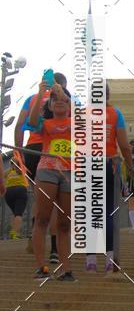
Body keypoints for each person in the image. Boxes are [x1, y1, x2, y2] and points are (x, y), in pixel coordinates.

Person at [16, 71, 68, 260]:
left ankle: (34, 237)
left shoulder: (32, 98)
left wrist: (18, 153)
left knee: (40, 198)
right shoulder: (66, 99)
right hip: (57, 152)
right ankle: (54, 249)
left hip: (32, 149)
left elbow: (21, 124)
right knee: (56, 203)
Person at [28, 80, 75, 281]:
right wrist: (41, 92)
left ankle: (66, 269)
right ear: (48, 105)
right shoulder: (45, 124)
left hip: (70, 173)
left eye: (62, 99)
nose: (58, 102)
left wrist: (61, 93)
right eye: (54, 99)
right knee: (43, 218)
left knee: (64, 223)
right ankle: (41, 267)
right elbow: (31, 121)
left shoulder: (77, 123)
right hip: (47, 170)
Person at [85, 85, 134, 274]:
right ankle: (109, 259)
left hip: (87, 164)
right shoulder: (115, 113)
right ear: (107, 95)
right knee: (108, 212)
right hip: (109, 163)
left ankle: (90, 260)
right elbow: (124, 145)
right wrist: (129, 166)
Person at [3, 151, 29, 238]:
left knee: (14, 213)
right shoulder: (23, 170)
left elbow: (2, 177)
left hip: (8, 192)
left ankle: (12, 232)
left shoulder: (8, 172)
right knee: (19, 214)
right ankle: (16, 234)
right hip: (20, 190)